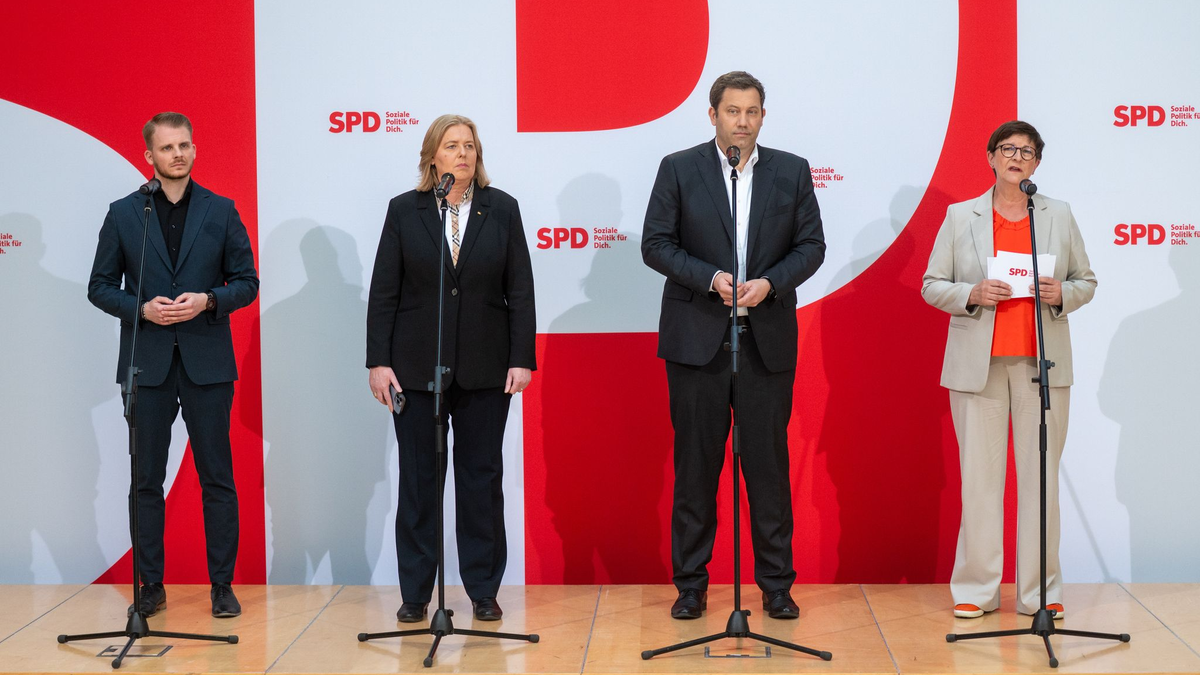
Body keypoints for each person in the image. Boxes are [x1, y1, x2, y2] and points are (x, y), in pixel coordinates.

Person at [642, 71, 826, 620]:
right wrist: (710, 278)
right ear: (713, 114)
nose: (742, 122)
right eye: (732, 111)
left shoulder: (791, 171)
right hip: (697, 341)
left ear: (763, 116)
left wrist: (770, 283)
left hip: (765, 340)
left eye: (751, 112)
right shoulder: (679, 168)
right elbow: (656, 244)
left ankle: (776, 586)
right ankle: (691, 586)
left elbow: (811, 246)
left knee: (768, 469)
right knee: (696, 470)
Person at [922, 120, 1096, 619]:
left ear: (1037, 163)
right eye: (1007, 149)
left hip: (1042, 367)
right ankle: (976, 589)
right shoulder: (961, 216)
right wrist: (972, 293)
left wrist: (1063, 293)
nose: (1016, 158)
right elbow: (932, 284)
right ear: (991, 157)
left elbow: (1086, 280)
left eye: (1026, 151)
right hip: (979, 369)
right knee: (979, 481)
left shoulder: (1057, 214)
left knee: (1041, 481)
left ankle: (1039, 592)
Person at [88, 112, 259, 618]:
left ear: (194, 149)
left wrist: (209, 300)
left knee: (217, 478)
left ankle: (222, 586)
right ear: (150, 156)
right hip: (147, 364)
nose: (178, 154)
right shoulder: (125, 213)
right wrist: (140, 309)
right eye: (167, 148)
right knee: (145, 481)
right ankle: (151, 586)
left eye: (184, 145)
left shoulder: (221, 210)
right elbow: (99, 287)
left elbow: (247, 282)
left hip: (208, 364)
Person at [367, 114, 536, 623]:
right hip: (416, 369)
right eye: (451, 145)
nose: (462, 154)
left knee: (481, 480)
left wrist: (521, 358)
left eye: (469, 146)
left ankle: (483, 590)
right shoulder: (405, 210)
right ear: (432, 157)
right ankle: (416, 594)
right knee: (420, 484)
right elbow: (384, 292)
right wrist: (378, 362)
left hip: (487, 368)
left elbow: (520, 289)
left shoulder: (502, 208)